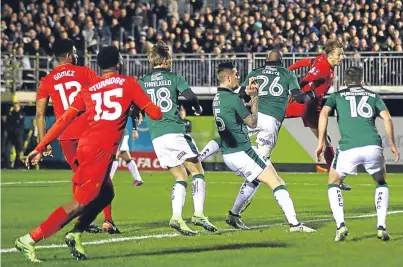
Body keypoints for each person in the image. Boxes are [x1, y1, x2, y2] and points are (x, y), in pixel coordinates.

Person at [16, 45, 162, 262]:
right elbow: (156, 114)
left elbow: (63, 119)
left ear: (100, 67)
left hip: (85, 144)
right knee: (80, 203)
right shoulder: (128, 83)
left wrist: (40, 146)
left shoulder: (90, 89)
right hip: (99, 150)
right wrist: (140, 103)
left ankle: (75, 233)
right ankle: (29, 239)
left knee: (106, 194)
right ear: (119, 64)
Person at [200, 50, 315, 229]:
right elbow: (300, 98)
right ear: (281, 61)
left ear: (266, 60)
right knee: (262, 174)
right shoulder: (287, 73)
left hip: (255, 114)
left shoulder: (255, 73)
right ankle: (292, 224)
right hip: (269, 123)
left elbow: (243, 95)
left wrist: (251, 99)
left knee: (229, 138)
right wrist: (313, 95)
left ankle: (199, 159)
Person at [35, 38, 118, 234]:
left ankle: (83, 220)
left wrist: (43, 142)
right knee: (102, 177)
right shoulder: (84, 72)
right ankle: (107, 220)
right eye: (74, 51)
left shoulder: (47, 80)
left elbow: (39, 114)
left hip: (66, 138)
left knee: (81, 178)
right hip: (88, 134)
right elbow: (105, 90)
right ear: (70, 54)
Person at [139, 41, 217, 235]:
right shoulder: (174, 77)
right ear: (165, 59)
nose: (171, 60)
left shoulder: (143, 81)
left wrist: (136, 115)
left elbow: (135, 105)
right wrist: (198, 108)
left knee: (181, 176)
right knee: (197, 170)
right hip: (174, 131)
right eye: (170, 57)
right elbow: (190, 97)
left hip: (156, 137)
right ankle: (198, 213)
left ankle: (176, 217)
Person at [315, 66, 399, 242]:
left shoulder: (336, 96)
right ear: (362, 81)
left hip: (348, 148)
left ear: (345, 81)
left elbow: (323, 114)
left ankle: (340, 226)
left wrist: (321, 142)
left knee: (333, 183)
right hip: (373, 147)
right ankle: (381, 227)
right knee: (381, 182)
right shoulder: (373, 96)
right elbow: (387, 118)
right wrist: (392, 143)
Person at [286, 39, 352, 191]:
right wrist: (294, 91)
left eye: (342, 54)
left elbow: (305, 61)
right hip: (308, 106)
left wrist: (289, 69)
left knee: (270, 119)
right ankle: (336, 179)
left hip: (305, 104)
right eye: (339, 54)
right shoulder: (323, 66)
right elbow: (307, 79)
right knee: (326, 141)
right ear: (330, 54)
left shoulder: (322, 60)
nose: (341, 57)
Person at [109, 111, 144, 187]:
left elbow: (132, 113)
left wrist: (134, 130)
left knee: (115, 156)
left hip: (120, 134)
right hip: (117, 133)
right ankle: (138, 179)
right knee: (126, 157)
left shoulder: (118, 107)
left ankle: (108, 180)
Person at [5, 102, 25, 168]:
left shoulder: (21, 114)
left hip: (18, 136)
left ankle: (17, 165)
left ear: (19, 107)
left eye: (17, 107)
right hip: (11, 136)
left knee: (18, 151)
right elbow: (8, 124)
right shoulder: (10, 114)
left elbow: (21, 125)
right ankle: (7, 165)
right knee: (7, 150)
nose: (16, 108)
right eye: (15, 107)